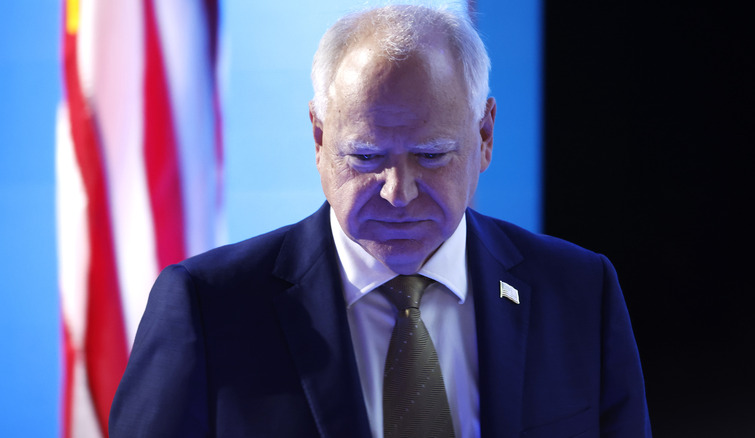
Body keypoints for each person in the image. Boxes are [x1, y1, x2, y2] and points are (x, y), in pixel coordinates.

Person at [109, 4, 651, 437]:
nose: (398, 193)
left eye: (432, 155)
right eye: (366, 157)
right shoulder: (208, 308)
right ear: (319, 138)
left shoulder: (579, 292)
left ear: (485, 136)